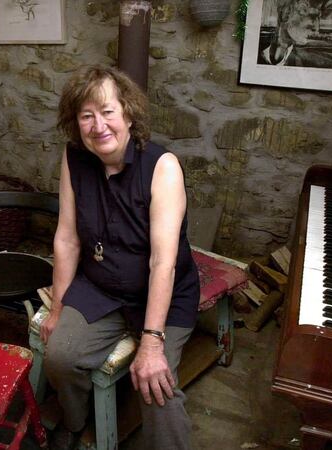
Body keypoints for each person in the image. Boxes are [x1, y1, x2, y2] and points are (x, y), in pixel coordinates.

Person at [41, 65, 200, 450]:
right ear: (75, 123)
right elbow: (66, 238)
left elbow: (162, 262)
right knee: (59, 356)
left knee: (154, 385)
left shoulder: (162, 168)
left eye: (108, 111)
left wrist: (151, 344)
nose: (99, 126)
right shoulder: (75, 159)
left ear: (128, 112)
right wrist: (60, 308)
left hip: (161, 295)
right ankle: (75, 423)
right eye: (86, 116)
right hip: (100, 286)